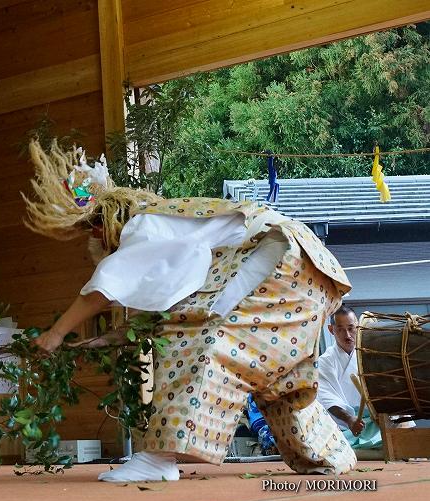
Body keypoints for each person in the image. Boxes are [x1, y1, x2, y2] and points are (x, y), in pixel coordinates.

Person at [24, 140, 357, 481]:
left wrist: (54, 334)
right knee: (274, 374)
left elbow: (103, 289)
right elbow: (149, 322)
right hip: (312, 273)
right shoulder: (171, 228)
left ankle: (158, 459)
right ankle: (330, 454)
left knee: (204, 339)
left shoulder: (143, 225)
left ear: (100, 226)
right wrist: (91, 344)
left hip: (282, 255)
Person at [317, 306, 382, 448]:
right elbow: (325, 396)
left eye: (351, 328)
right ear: (331, 330)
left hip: (375, 420)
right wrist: (349, 419)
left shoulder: (369, 354)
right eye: (340, 329)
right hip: (344, 424)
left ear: (358, 327)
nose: (347, 335)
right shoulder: (325, 361)